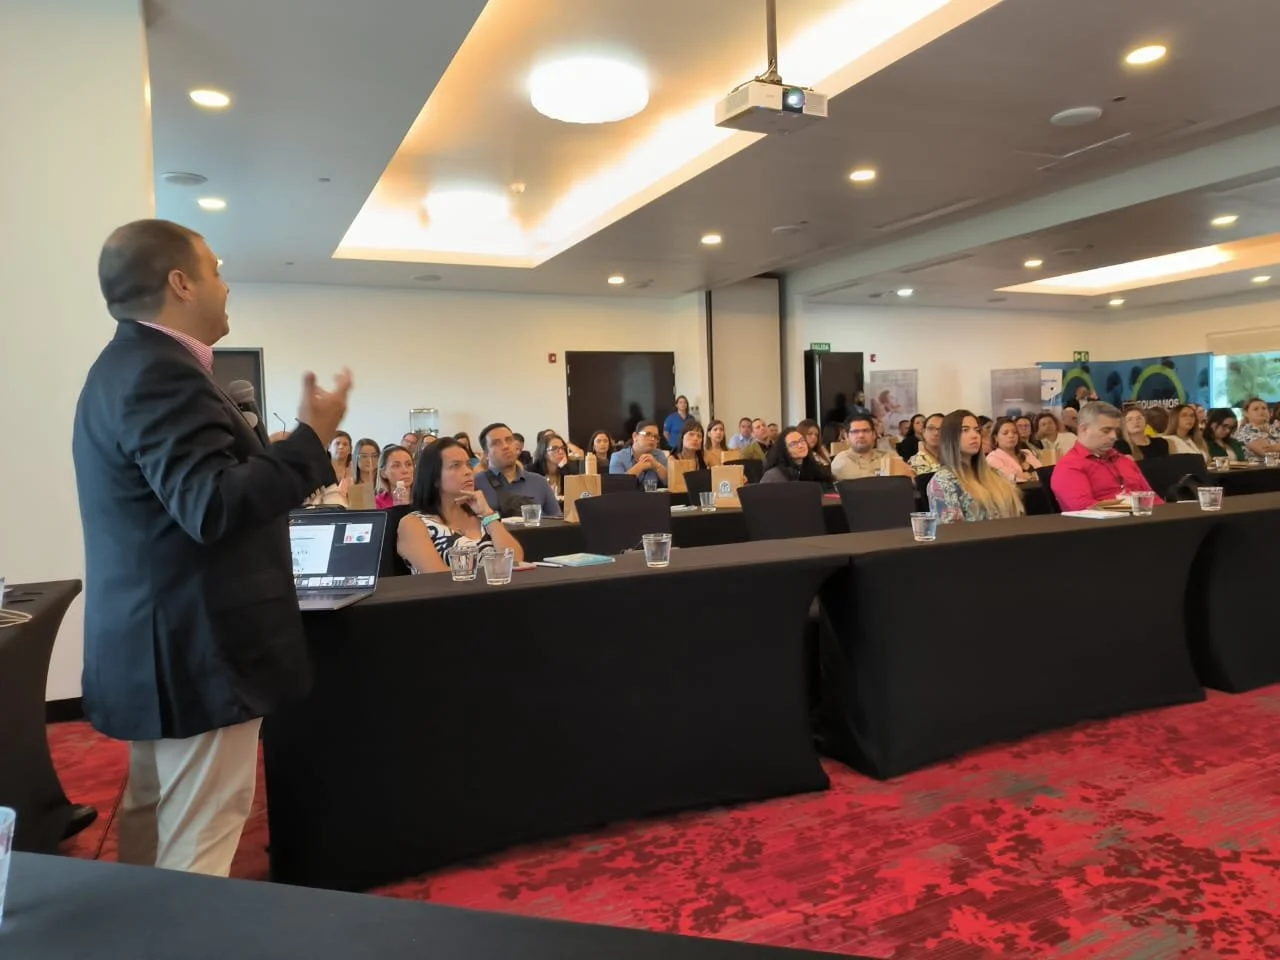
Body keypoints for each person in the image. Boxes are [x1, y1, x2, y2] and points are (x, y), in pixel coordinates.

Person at [74, 218, 348, 876]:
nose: (226, 286)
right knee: (203, 825)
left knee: (153, 808)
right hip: (197, 647)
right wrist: (312, 440)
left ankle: (142, 930)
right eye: (216, 269)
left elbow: (186, 493)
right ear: (180, 282)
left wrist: (271, 457)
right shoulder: (161, 375)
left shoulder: (127, 364)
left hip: (159, 637)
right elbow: (211, 506)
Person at [397, 438, 524, 574]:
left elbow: (515, 561)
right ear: (434, 477)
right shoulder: (413, 524)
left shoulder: (482, 516)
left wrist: (488, 514)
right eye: (456, 465)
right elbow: (437, 576)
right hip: (449, 594)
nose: (468, 472)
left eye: (468, 465)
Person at [1050, 401, 1161, 512]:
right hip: (1103, 527)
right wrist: (1133, 505)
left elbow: (1153, 499)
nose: (1113, 436)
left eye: (1116, 431)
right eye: (1106, 431)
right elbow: (1084, 507)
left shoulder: (1124, 461)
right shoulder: (1069, 467)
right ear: (1083, 429)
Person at [926, 410, 1024, 523]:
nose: (974, 436)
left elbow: (1017, 514)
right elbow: (950, 531)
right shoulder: (944, 481)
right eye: (965, 430)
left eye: (977, 430)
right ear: (950, 437)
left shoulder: (994, 474)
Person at [474, 423, 563, 517]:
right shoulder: (476, 483)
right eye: (496, 443)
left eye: (509, 440)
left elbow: (558, 522)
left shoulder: (539, 482)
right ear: (486, 454)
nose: (505, 446)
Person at [831, 414, 912, 480]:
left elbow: (910, 479)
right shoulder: (842, 460)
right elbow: (866, 485)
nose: (861, 435)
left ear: (874, 434)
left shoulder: (889, 455)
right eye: (855, 431)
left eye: (866, 431)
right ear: (846, 436)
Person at [761, 426, 834, 485]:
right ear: (784, 449)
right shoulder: (774, 475)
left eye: (802, 440)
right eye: (793, 444)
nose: (800, 445)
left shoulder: (812, 467)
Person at [609, 421, 669, 487]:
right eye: (647, 434)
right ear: (635, 436)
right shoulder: (617, 457)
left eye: (655, 436)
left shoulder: (659, 454)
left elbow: (670, 483)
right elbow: (617, 486)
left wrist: (657, 466)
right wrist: (640, 466)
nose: (652, 439)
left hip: (653, 497)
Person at [986, 417, 1042, 483]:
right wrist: (1028, 477)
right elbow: (1008, 478)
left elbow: (1042, 473)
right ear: (996, 438)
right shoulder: (992, 458)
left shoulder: (1027, 453)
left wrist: (1024, 476)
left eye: (1015, 432)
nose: (1011, 435)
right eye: (1005, 433)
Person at [1233, 397, 1280, 462]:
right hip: (1260, 470)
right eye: (1256, 409)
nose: (1261, 411)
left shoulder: (1275, 428)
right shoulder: (1246, 432)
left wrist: (1274, 447)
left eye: (1264, 408)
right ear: (1246, 413)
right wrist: (1274, 448)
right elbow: (1267, 453)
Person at [527, 431, 571, 496]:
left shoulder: (568, 471)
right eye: (554, 448)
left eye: (562, 448)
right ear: (544, 452)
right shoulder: (531, 472)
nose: (561, 452)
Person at [375, 444, 414, 509]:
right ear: (383, 473)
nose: (405, 470)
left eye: (409, 464)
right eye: (396, 466)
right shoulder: (377, 503)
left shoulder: (425, 499)